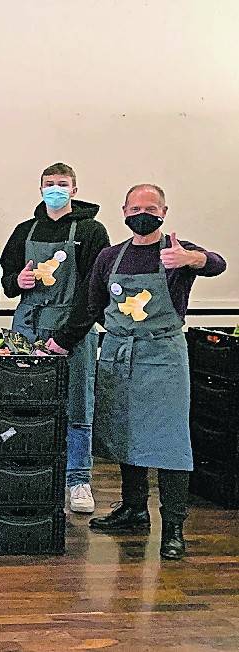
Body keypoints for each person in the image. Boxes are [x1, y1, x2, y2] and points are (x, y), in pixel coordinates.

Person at [48, 184, 226, 560]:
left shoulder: (177, 253)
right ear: (124, 211)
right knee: (125, 433)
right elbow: (91, 305)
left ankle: (173, 526)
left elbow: (216, 263)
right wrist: (61, 341)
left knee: (170, 442)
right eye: (135, 208)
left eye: (151, 208)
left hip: (162, 356)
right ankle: (133, 510)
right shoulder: (110, 257)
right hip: (117, 354)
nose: (142, 214)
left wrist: (192, 259)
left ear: (164, 212)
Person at [1, 162, 110, 514]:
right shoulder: (24, 231)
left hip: (73, 331)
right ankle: (22, 472)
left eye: (62, 183)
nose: (55, 189)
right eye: (49, 183)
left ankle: (77, 479)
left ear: (74, 189)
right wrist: (18, 281)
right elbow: (7, 280)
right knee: (23, 401)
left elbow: (94, 291)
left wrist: (66, 337)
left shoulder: (92, 231)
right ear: (40, 188)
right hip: (28, 329)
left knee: (77, 404)